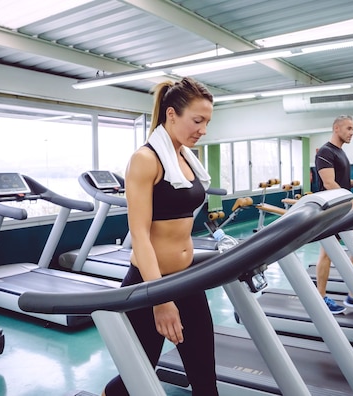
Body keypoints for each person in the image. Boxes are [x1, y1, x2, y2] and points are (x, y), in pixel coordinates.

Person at [102, 77, 219, 396]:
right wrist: (161, 300)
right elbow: (139, 235)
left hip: (186, 279)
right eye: (197, 120)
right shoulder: (145, 159)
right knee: (134, 377)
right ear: (171, 114)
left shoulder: (185, 158)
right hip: (149, 286)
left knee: (205, 377)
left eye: (207, 122)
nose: (203, 130)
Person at [314, 114, 353, 314]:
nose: (352, 133)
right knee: (327, 253)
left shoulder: (340, 153)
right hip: (332, 209)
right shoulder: (325, 152)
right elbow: (329, 184)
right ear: (336, 128)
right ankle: (320, 297)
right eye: (348, 128)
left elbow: (339, 180)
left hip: (342, 208)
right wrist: (351, 203)